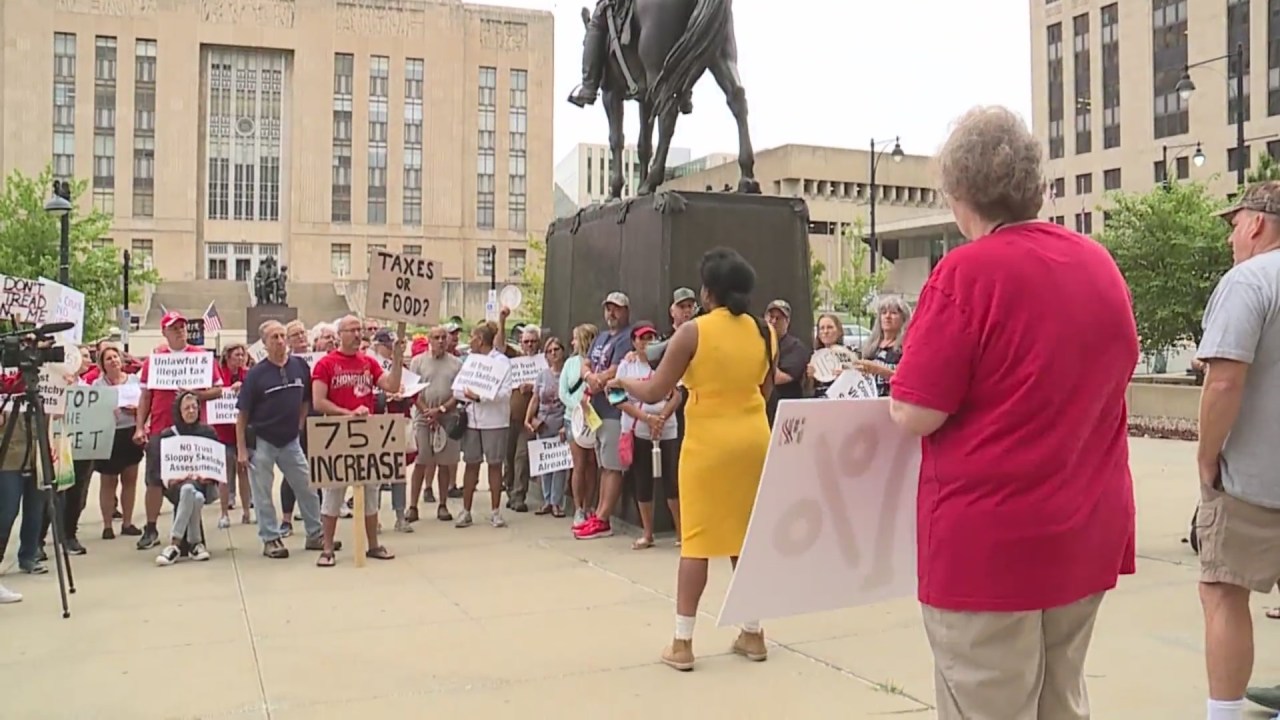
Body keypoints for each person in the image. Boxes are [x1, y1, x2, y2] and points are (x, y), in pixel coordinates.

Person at [887, 106, 1137, 720]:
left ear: (959, 194)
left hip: (989, 548)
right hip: (1084, 533)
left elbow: (915, 411)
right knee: (1062, 700)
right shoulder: (1098, 264)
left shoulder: (965, 273)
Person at [617, 247, 775, 672]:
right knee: (745, 538)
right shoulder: (764, 332)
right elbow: (765, 390)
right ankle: (753, 632)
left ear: (707, 293)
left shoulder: (693, 332)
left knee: (698, 541)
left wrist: (620, 381)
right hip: (753, 438)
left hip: (708, 444)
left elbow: (654, 390)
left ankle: (683, 642)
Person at [1193, 180, 1280, 720]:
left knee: (1223, 591)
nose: (1231, 238)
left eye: (1234, 224)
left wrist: (1208, 457)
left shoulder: (1249, 281)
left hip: (1253, 480)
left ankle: (1223, 715)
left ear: (1257, 223)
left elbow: (1224, 381)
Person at [310, 315, 404, 567]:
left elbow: (392, 385)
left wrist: (397, 359)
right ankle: (327, 548)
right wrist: (347, 413)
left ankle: (373, 545)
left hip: (367, 436)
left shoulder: (368, 362)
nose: (356, 334)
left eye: (359, 330)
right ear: (339, 334)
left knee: (371, 492)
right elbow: (318, 402)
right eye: (351, 330)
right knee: (333, 494)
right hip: (337, 436)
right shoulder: (326, 364)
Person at [238, 321, 329, 560]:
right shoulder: (256, 374)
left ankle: (315, 534)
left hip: (290, 441)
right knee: (262, 494)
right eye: (274, 337)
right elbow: (242, 414)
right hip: (262, 440)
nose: (280, 341)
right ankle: (271, 538)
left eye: (282, 336)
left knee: (307, 486)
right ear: (264, 344)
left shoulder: (300, 366)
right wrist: (242, 450)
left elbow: (306, 400)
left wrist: (299, 425)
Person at [134, 311, 223, 551]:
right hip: (160, 428)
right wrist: (140, 426)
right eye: (174, 328)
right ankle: (151, 528)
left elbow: (218, 390)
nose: (179, 331)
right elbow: (145, 396)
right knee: (154, 480)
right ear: (164, 332)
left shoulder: (201, 357)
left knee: (191, 481)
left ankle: (191, 533)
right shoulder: (154, 361)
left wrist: (195, 394)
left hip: (192, 431)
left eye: (182, 327)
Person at [613, 322, 681, 550]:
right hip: (639, 429)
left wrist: (661, 418)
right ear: (634, 341)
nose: (647, 343)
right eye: (642, 338)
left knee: (672, 481)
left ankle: (682, 534)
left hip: (667, 429)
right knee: (642, 481)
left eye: (651, 338)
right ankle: (647, 533)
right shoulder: (627, 366)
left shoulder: (667, 362)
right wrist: (646, 418)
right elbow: (617, 397)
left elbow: (677, 395)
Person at [576, 292, 635, 540]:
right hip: (596, 410)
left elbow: (616, 369)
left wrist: (598, 379)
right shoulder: (600, 337)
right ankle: (599, 514)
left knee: (612, 467)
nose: (611, 313)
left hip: (614, 410)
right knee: (603, 466)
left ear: (626, 311)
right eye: (608, 308)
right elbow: (585, 363)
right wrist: (590, 377)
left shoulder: (626, 338)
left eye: (617, 308)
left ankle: (603, 519)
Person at [454, 321, 513, 529]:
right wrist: (469, 396)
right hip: (472, 421)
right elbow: (458, 389)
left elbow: (506, 392)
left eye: (472, 337)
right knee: (471, 463)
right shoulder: (470, 361)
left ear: (480, 340)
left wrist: (481, 397)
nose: (469, 341)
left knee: (495, 464)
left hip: (495, 421)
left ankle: (495, 511)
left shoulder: (502, 362)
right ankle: (466, 511)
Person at [154, 391, 218, 566]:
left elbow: (216, 467)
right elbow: (160, 469)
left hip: (202, 485)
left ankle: (174, 545)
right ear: (179, 411)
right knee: (192, 494)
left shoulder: (208, 432)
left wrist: (208, 477)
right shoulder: (168, 435)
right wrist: (171, 479)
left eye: (194, 408)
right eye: (187, 408)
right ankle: (196, 544)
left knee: (192, 492)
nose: (191, 411)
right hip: (175, 486)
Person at [408, 325, 463, 523]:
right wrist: (427, 411)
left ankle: (443, 505)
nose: (440, 341)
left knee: (444, 463)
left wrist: (441, 410)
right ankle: (412, 506)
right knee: (422, 460)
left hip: (447, 417)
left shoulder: (456, 364)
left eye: (443, 337)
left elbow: (458, 393)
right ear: (429, 340)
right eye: (436, 337)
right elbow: (413, 391)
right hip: (423, 418)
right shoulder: (418, 362)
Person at [93, 347, 144, 540]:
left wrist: (136, 410)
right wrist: (106, 410)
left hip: (130, 432)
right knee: (108, 481)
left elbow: (144, 405)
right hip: (109, 434)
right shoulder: (98, 385)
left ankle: (127, 523)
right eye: (108, 358)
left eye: (115, 357)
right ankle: (107, 526)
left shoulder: (134, 381)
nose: (113, 361)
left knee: (129, 480)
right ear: (102, 364)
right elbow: (92, 410)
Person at [525, 336, 569, 517]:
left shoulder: (567, 373)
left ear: (562, 351)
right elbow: (535, 398)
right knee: (545, 463)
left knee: (559, 465)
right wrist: (528, 419)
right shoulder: (542, 375)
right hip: (543, 424)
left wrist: (566, 426)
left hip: (561, 422)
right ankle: (546, 500)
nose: (553, 354)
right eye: (549, 351)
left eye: (556, 350)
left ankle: (556, 502)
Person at [561, 323, 599, 528]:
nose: (572, 342)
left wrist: (589, 409)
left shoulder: (597, 363)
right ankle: (578, 509)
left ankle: (589, 505)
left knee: (593, 463)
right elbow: (563, 392)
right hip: (573, 418)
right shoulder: (570, 364)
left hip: (594, 418)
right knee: (579, 464)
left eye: (575, 338)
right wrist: (578, 407)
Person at [215, 343, 252, 527]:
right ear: (227, 357)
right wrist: (230, 388)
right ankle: (224, 514)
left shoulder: (248, 374)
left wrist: (243, 386)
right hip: (222, 431)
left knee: (243, 471)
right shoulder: (219, 374)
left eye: (243, 355)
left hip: (243, 432)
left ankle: (246, 512)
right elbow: (213, 392)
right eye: (237, 355)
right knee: (223, 474)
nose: (241, 358)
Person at [763, 299, 809, 425]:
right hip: (761, 413)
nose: (773, 321)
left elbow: (779, 378)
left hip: (784, 415)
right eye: (771, 317)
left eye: (778, 318)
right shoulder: (758, 342)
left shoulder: (796, 347)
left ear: (787, 322)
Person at [857, 295, 912, 397]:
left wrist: (879, 370)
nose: (887, 316)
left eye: (893, 313)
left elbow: (908, 381)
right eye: (884, 313)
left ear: (904, 319)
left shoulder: (907, 347)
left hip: (894, 400)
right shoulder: (870, 346)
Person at [807, 312, 847, 399]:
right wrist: (810, 378)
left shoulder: (850, 355)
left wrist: (845, 376)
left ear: (839, 331)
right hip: (820, 402)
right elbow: (808, 392)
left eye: (830, 327)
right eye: (822, 328)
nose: (825, 331)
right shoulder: (814, 357)